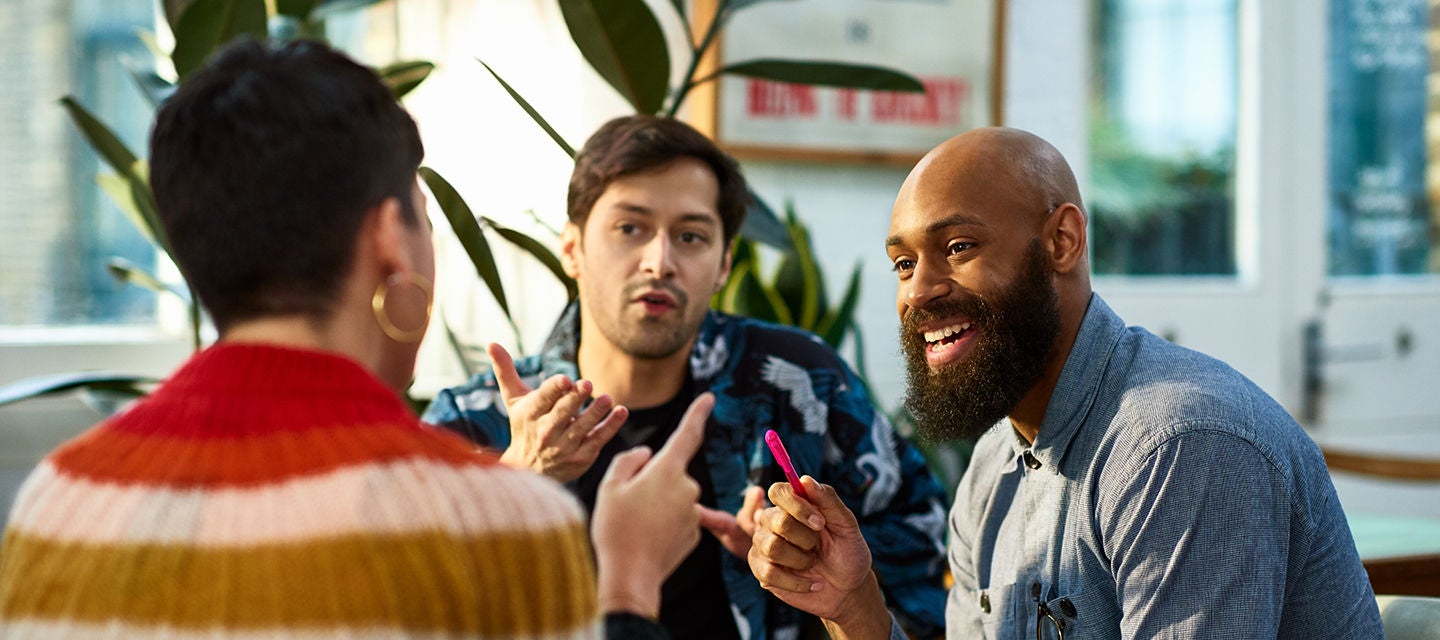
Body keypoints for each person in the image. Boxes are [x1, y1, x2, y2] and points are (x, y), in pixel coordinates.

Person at [0, 39, 704, 639]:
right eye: (423, 218)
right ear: (391, 239)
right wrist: (629, 584)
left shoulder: (60, 498)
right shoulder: (508, 525)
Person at [745, 127, 1384, 639]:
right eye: (904, 264)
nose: (918, 290)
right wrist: (854, 608)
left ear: (1063, 240)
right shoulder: (994, 464)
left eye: (960, 247)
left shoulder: (1179, 446)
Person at [423, 114, 949, 640]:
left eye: (691, 236)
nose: (659, 261)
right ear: (572, 249)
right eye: (630, 228)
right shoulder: (474, 425)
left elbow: (923, 549)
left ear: (723, 265)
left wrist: (807, 568)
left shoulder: (799, 383)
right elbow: (396, 605)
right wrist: (517, 481)